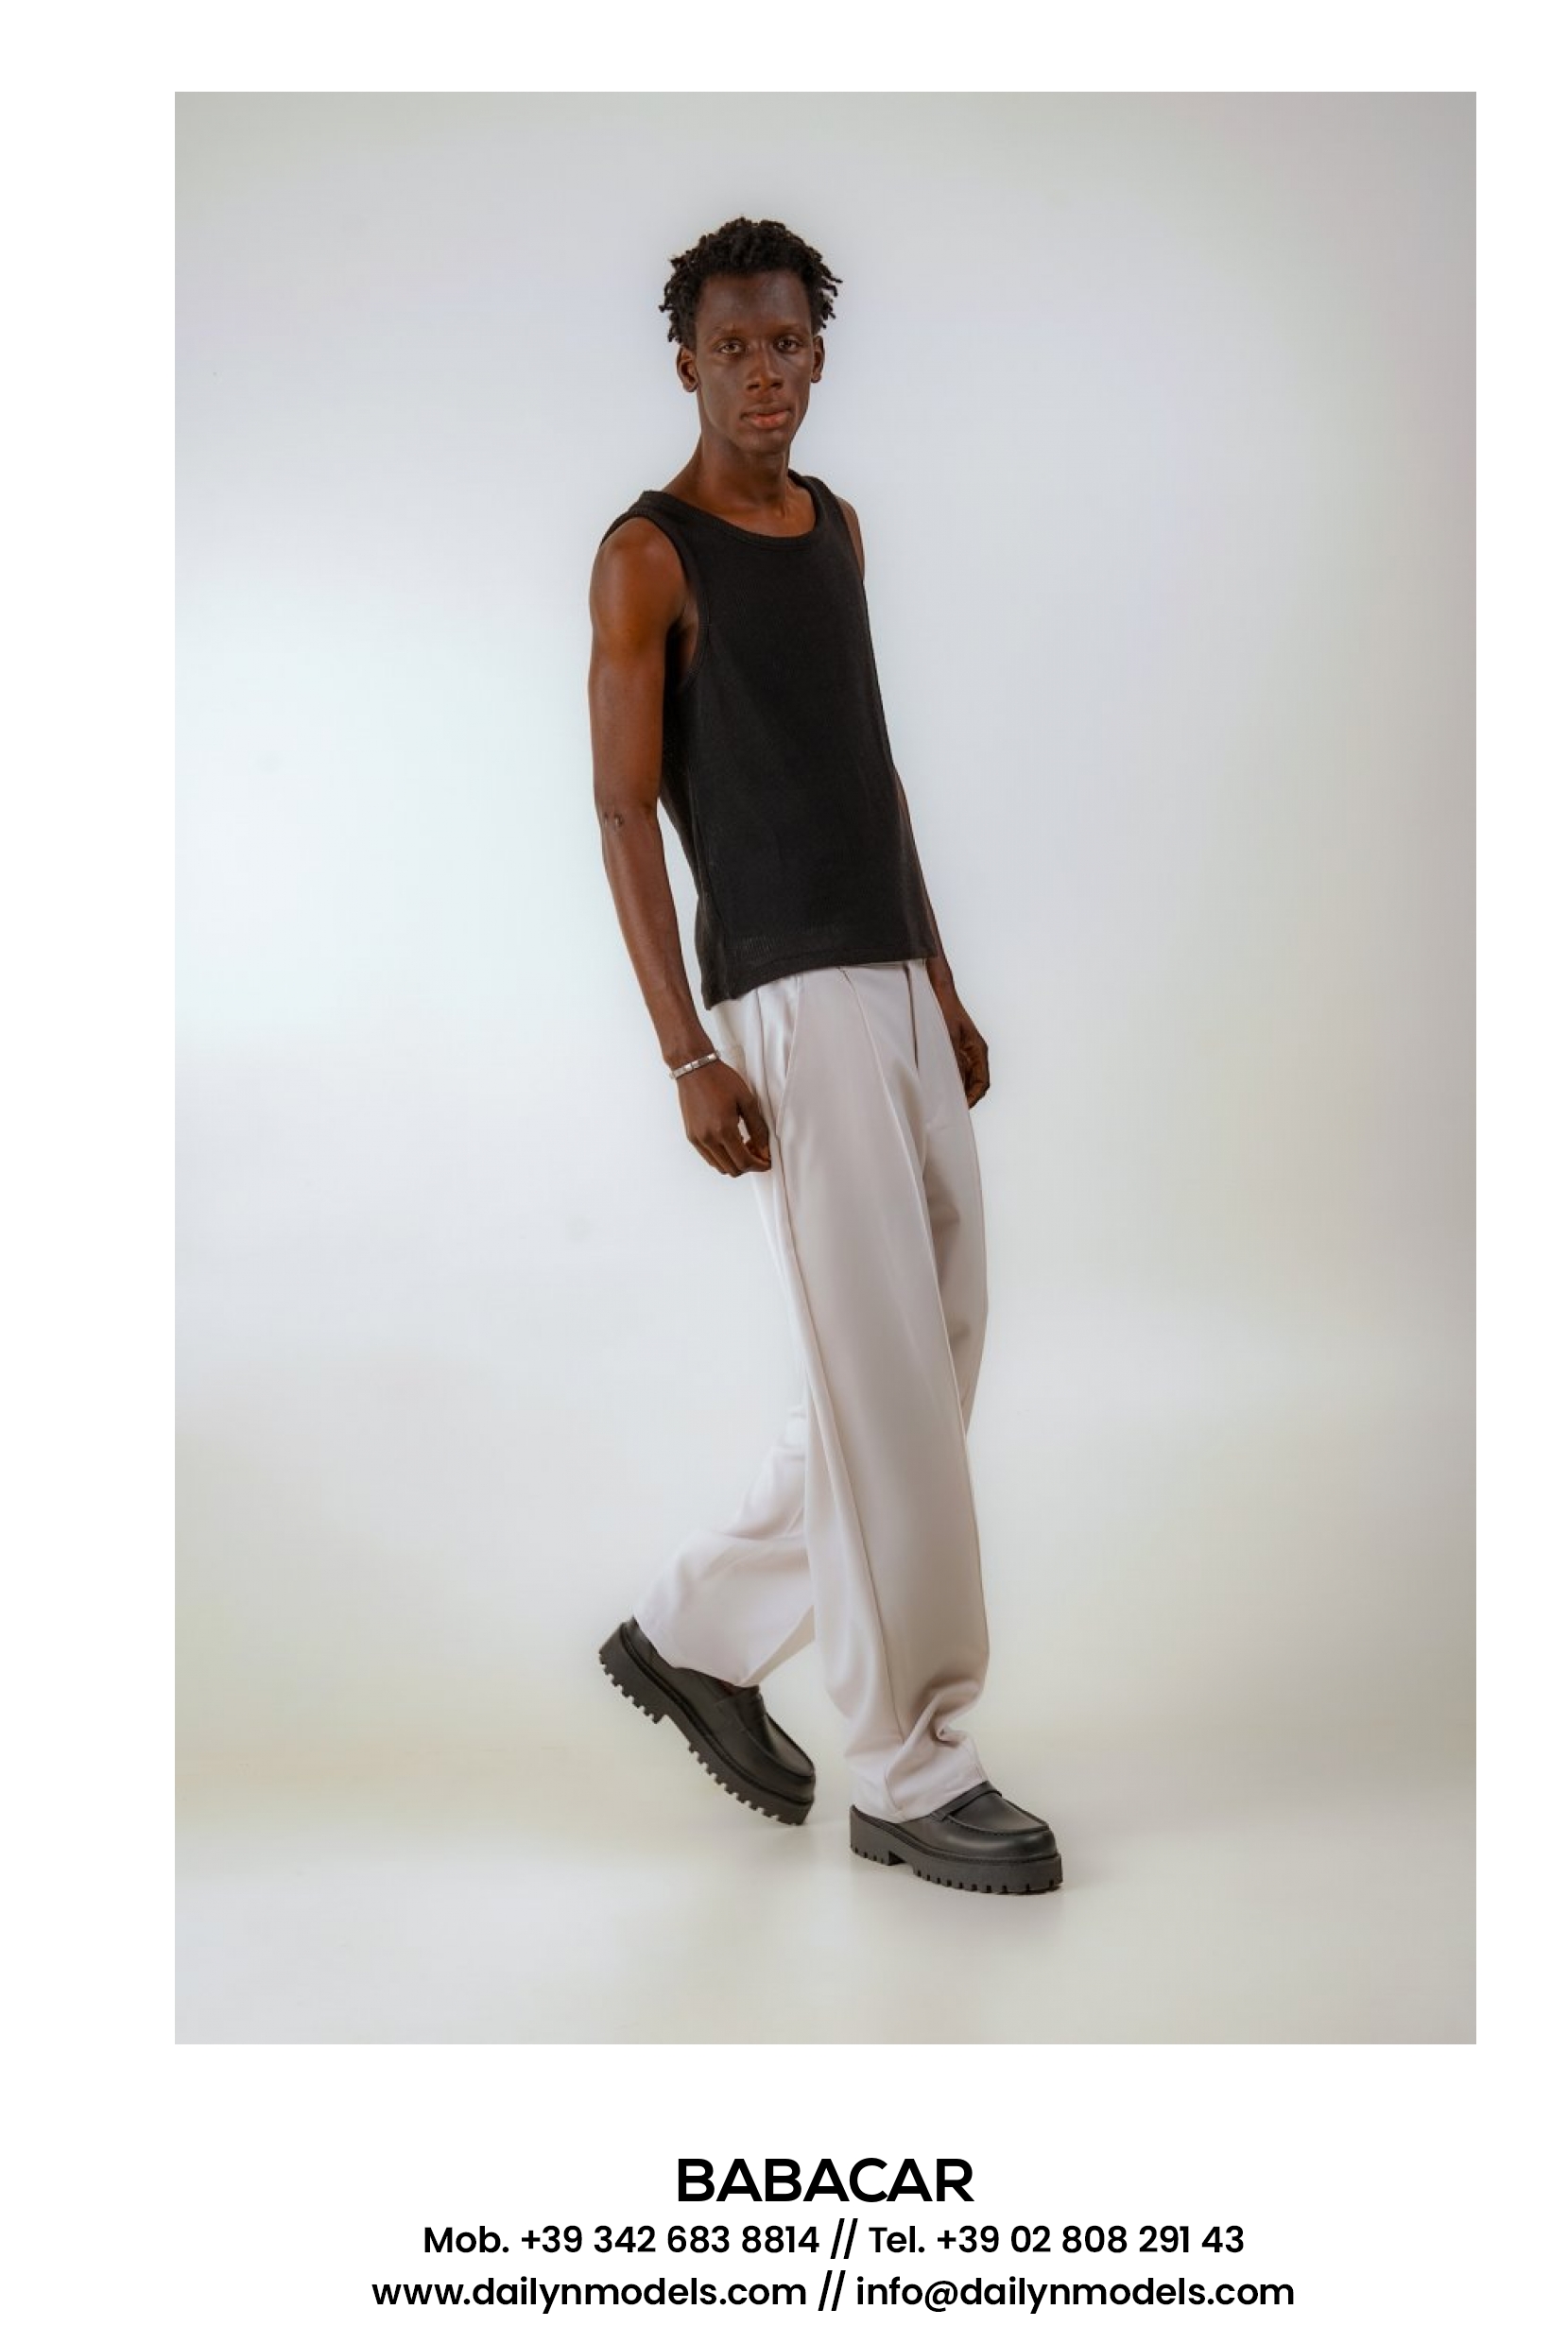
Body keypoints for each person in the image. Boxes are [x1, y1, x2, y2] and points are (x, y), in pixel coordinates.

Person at [586, 215, 1061, 1896]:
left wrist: (944, 977)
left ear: (817, 353)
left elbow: (873, 764)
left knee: (928, 1353)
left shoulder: (836, 528)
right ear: (687, 364)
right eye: (733, 348)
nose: (765, 374)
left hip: (893, 978)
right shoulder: (648, 556)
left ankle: (697, 1629)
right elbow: (622, 813)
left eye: (787, 344)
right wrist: (686, 1055)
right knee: (886, 1381)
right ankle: (916, 1767)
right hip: (785, 999)